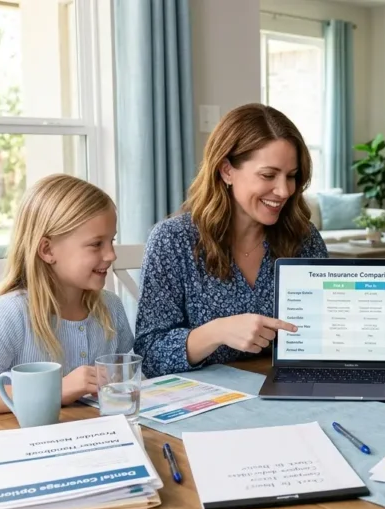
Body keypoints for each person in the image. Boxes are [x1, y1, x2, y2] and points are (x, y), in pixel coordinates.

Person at [134, 103, 328, 376]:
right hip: (200, 402)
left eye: (292, 176)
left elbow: (323, 336)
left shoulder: (304, 238)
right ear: (227, 171)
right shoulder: (172, 241)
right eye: (268, 175)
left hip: (284, 393)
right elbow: (150, 353)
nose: (284, 190)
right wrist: (216, 332)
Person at [0, 174, 133, 418]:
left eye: (111, 241)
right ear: (47, 250)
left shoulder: (111, 308)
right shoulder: (13, 313)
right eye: (96, 244)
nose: (111, 254)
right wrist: (53, 390)